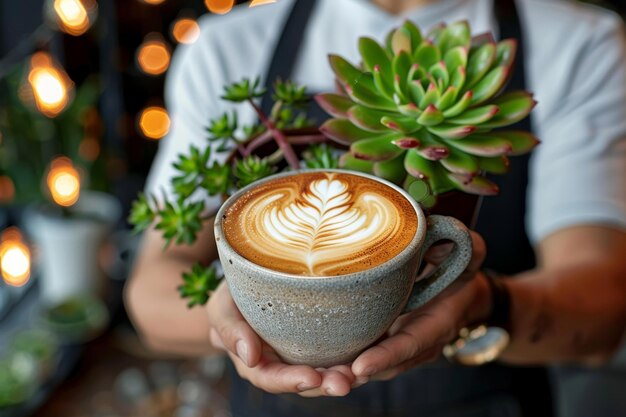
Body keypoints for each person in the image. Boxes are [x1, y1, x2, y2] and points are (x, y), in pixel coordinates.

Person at [125, 0, 626, 416]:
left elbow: (602, 314)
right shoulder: (226, 48)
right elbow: (150, 293)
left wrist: (480, 305)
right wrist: (240, 325)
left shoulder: (577, 46)